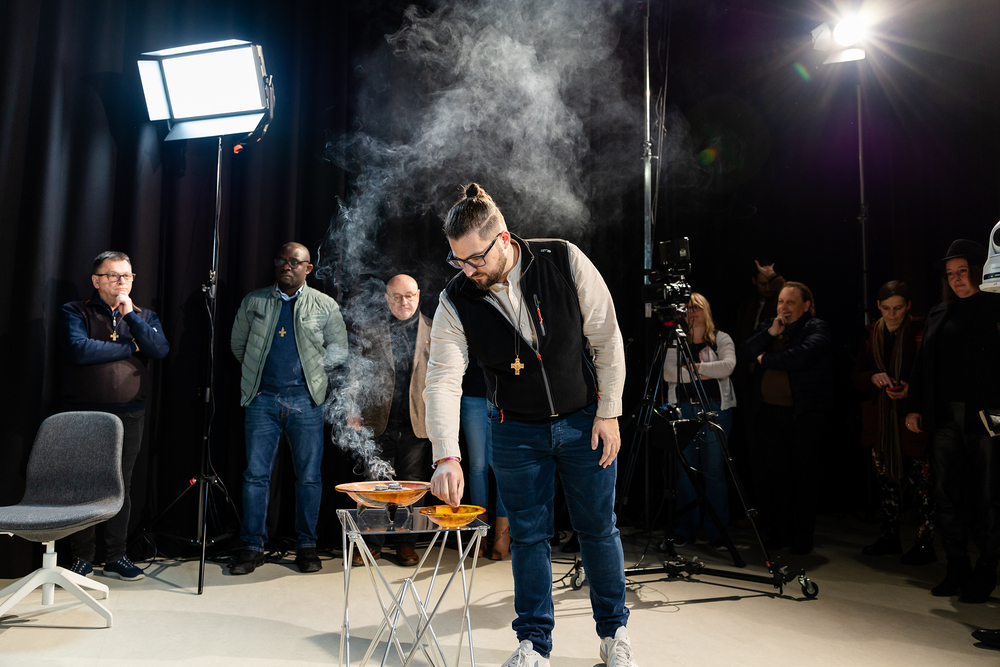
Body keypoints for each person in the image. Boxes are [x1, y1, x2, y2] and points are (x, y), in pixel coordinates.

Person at [424, 183, 635, 667]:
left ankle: (614, 634)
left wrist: (609, 412)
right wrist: (446, 455)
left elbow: (607, 337)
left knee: (597, 530)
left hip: (584, 422)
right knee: (527, 537)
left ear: (503, 239)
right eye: (458, 260)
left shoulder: (562, 258)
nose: (468, 270)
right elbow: (443, 379)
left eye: (476, 258)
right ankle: (534, 645)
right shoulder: (456, 298)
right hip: (515, 432)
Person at [229, 242, 348, 575]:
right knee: (255, 477)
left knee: (309, 478)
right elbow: (238, 345)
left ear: (308, 268)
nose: (286, 266)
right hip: (262, 400)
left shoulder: (324, 305)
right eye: (281, 260)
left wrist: (314, 379)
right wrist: (257, 376)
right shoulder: (255, 301)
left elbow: (339, 350)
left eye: (294, 262)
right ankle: (252, 546)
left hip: (306, 403)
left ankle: (306, 546)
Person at [60, 250, 170, 581]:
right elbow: (80, 350)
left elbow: (159, 349)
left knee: (120, 484)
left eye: (127, 275)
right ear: (96, 281)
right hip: (86, 413)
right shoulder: (76, 310)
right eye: (113, 275)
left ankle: (116, 556)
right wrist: (131, 347)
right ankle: (83, 557)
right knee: (85, 484)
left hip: (129, 414)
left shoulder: (144, 316)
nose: (121, 281)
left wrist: (131, 317)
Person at [904, 239, 1000, 603]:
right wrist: (914, 407)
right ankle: (957, 566)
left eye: (962, 271)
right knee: (946, 494)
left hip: (988, 416)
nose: (957, 279)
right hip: (945, 415)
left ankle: (987, 570)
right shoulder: (939, 312)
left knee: (988, 496)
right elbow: (922, 364)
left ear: (978, 271)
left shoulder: (995, 306)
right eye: (950, 274)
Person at [738, 281, 833, 555]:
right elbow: (745, 353)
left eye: (791, 302)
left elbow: (799, 358)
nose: (784, 307)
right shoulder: (770, 326)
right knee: (777, 476)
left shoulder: (816, 327)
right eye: (781, 301)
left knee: (803, 477)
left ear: (806, 305)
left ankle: (803, 538)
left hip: (803, 415)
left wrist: (765, 359)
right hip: (769, 413)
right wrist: (771, 332)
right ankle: (781, 534)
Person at [348, 274, 433, 567]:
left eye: (408, 295)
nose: (403, 302)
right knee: (374, 486)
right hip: (377, 421)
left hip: (416, 422)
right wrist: (352, 408)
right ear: (386, 299)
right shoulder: (371, 330)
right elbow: (355, 371)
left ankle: (406, 544)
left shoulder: (434, 329)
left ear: (418, 295)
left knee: (412, 488)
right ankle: (371, 544)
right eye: (396, 297)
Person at [850, 281, 935, 565]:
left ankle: (925, 542)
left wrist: (911, 390)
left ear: (908, 306)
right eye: (886, 308)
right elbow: (857, 375)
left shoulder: (920, 332)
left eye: (898, 308)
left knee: (922, 484)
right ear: (878, 306)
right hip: (881, 420)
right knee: (886, 483)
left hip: (910, 419)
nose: (892, 314)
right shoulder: (871, 333)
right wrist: (873, 377)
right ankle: (889, 537)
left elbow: (931, 374)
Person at [662, 292, 736, 549]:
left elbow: (727, 367)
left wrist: (692, 369)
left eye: (696, 307)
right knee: (685, 473)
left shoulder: (720, 338)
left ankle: (718, 531)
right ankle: (685, 529)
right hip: (683, 410)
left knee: (714, 471)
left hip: (715, 408)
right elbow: (669, 373)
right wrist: (705, 373)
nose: (692, 312)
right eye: (687, 308)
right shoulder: (676, 341)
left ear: (706, 310)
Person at [460, 365, 510, 559]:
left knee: (503, 466)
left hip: (505, 392)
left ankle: (502, 534)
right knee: (477, 465)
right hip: (473, 390)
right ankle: (479, 533)